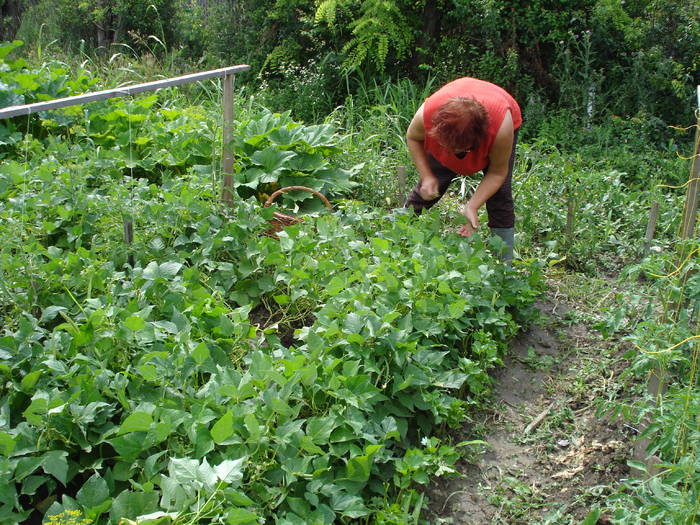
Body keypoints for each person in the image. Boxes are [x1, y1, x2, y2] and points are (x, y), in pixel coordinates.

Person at [404, 77, 522, 262]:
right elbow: (412, 137)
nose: (450, 154)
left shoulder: (501, 128)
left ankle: (504, 265)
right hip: (451, 123)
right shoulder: (428, 114)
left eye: (458, 150)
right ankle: (398, 236)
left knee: (500, 195)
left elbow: (498, 173)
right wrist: (426, 176)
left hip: (499, 109)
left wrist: (472, 206)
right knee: (433, 179)